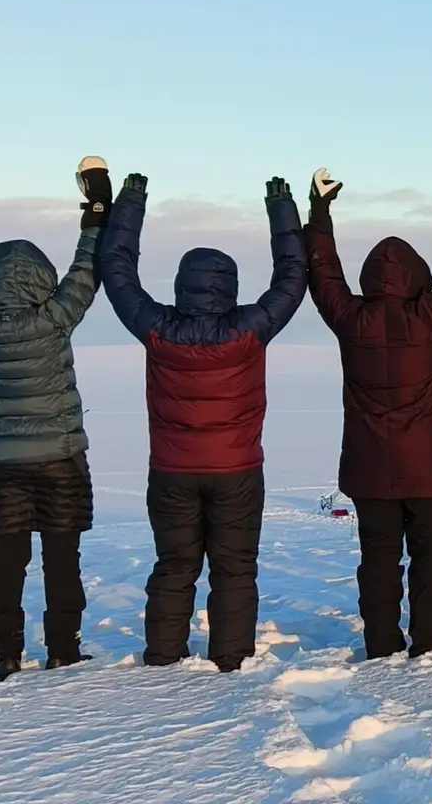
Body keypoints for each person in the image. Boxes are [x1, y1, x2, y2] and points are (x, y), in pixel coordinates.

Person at [100, 172, 307, 671]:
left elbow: (115, 268)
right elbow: (293, 276)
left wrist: (130, 201)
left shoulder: (157, 328)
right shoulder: (249, 329)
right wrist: (281, 207)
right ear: (230, 288)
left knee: (174, 566)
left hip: (171, 472)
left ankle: (163, 656)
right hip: (237, 471)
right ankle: (230, 659)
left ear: (180, 286)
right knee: (234, 569)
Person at [0, 160, 113, 681]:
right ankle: (62, 649)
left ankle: (6, 655)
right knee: (62, 558)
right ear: (43, 278)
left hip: (1, 464)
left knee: (7, 558)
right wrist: (97, 207)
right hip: (60, 458)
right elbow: (87, 268)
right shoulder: (55, 318)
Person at [304, 167, 432, 659]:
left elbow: (324, 275)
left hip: (370, 470)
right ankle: (430, 643)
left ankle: (381, 643)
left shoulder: (351, 319)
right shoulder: (431, 317)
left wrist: (320, 215)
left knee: (377, 558)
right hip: (429, 469)